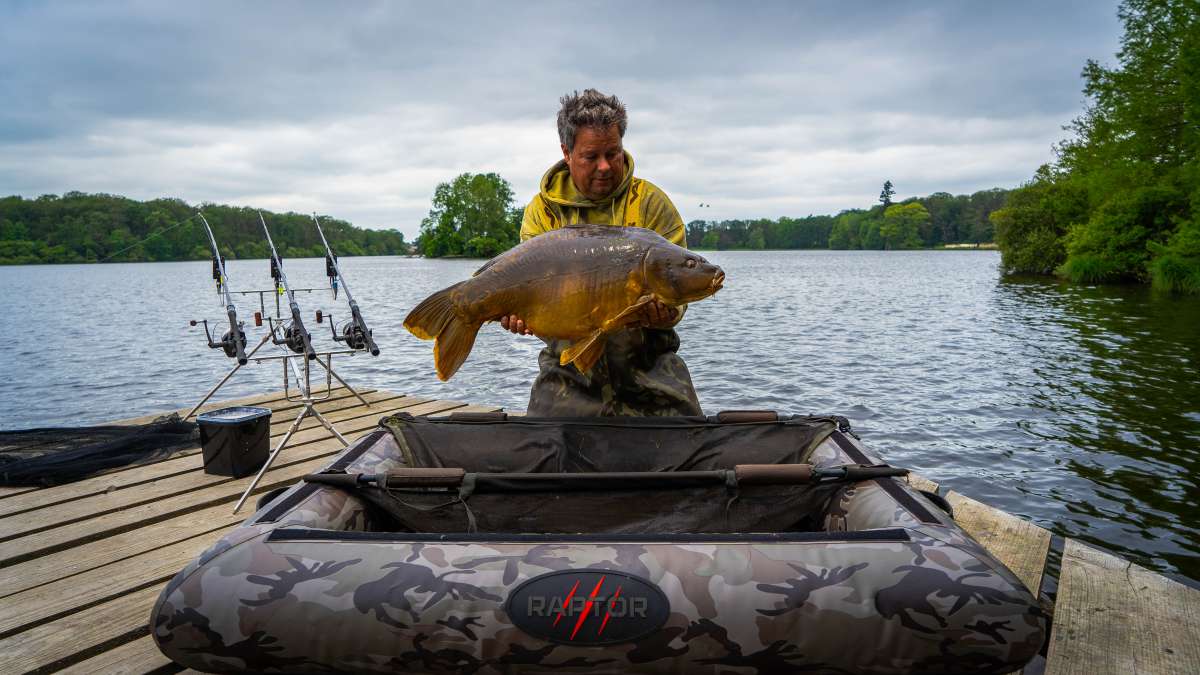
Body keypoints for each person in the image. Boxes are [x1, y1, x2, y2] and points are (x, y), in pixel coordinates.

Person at [500, 89, 703, 417]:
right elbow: (533, 301)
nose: (605, 166)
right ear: (567, 153)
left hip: (650, 370)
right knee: (544, 445)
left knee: (688, 441)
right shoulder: (543, 213)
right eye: (591, 156)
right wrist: (520, 317)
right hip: (567, 372)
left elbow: (678, 292)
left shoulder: (650, 203)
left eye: (613, 153)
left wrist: (668, 313)